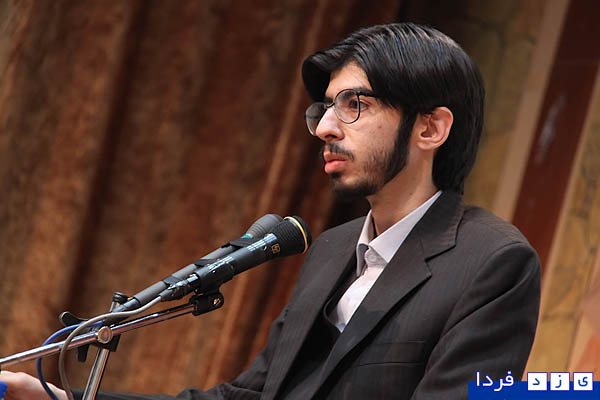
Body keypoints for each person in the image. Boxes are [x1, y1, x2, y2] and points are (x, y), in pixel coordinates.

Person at [0, 22, 540, 400]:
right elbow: (249, 397)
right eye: (324, 108)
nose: (325, 128)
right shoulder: (331, 250)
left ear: (430, 128)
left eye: (355, 105)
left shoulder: (492, 263)